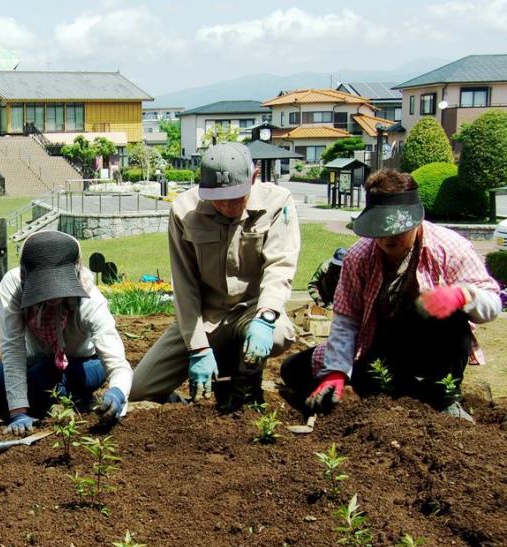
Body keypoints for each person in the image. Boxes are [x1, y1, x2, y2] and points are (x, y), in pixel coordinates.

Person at [281, 169, 501, 422]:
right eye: (380, 230)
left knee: (450, 317)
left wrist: (466, 295)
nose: (387, 239)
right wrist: (336, 372)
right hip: (380, 345)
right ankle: (404, 392)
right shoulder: (359, 256)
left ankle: (443, 398)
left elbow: (493, 305)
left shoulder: (451, 248)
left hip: (435, 345)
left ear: (416, 221)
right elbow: (347, 320)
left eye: (396, 231)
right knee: (293, 369)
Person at [130, 142, 300, 409]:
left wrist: (266, 317)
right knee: (138, 388)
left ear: (254, 177)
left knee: (278, 333)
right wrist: (197, 347)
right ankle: (188, 407)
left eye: (236, 196)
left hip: (252, 313)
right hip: (206, 317)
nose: (226, 204)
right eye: (218, 197)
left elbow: (280, 265)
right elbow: (184, 286)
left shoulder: (277, 202)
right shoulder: (184, 210)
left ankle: (243, 385)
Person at [0, 230, 133, 435]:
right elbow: (13, 349)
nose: (52, 295)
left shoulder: (90, 300)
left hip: (86, 362)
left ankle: (79, 399)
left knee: (40, 380)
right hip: (37, 359)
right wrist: (18, 411)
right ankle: (34, 406)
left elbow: (118, 364)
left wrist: (117, 392)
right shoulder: (14, 286)